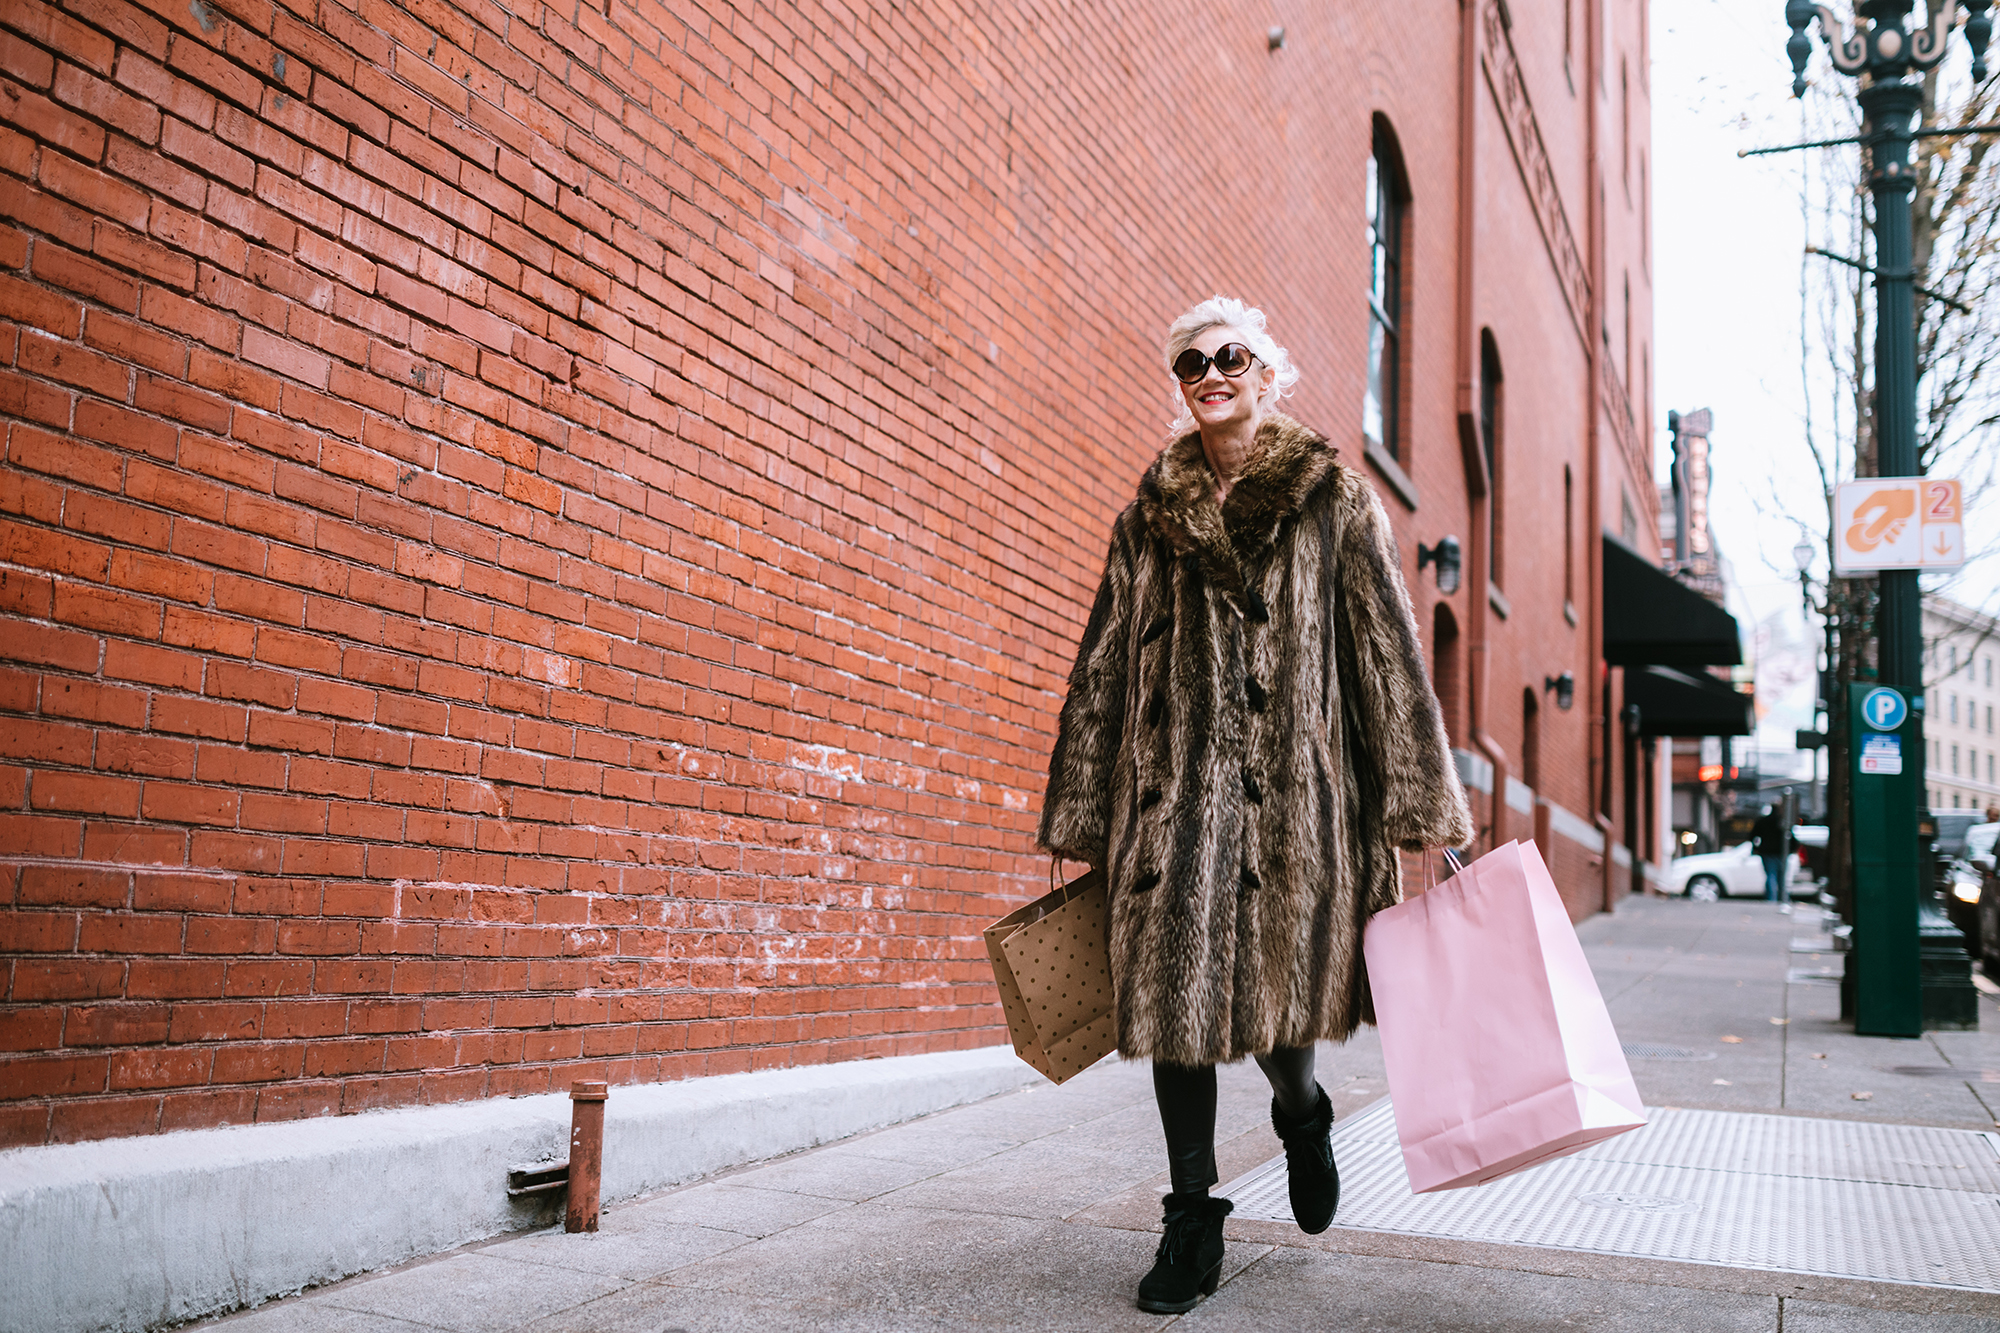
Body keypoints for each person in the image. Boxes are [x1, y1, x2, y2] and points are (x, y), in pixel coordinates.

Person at [1037, 297, 1472, 1314]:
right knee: (1170, 1012)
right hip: (1172, 804)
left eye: (1228, 356)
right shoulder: (1144, 517)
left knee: (1279, 1005)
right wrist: (1079, 816)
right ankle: (1189, 1218)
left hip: (1294, 808)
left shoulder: (1334, 501)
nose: (1208, 374)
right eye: (1189, 361)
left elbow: (1386, 661)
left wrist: (1419, 807)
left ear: (1265, 373)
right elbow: (1100, 669)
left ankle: (1301, 1108)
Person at [1752, 804, 1790, 911]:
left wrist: (1756, 848)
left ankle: (1771, 899)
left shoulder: (1763, 821)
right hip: (1780, 852)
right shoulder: (1782, 822)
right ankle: (1783, 898)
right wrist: (1790, 849)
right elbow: (1790, 837)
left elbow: (1753, 835)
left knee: (1770, 875)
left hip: (1767, 852)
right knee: (1781, 877)